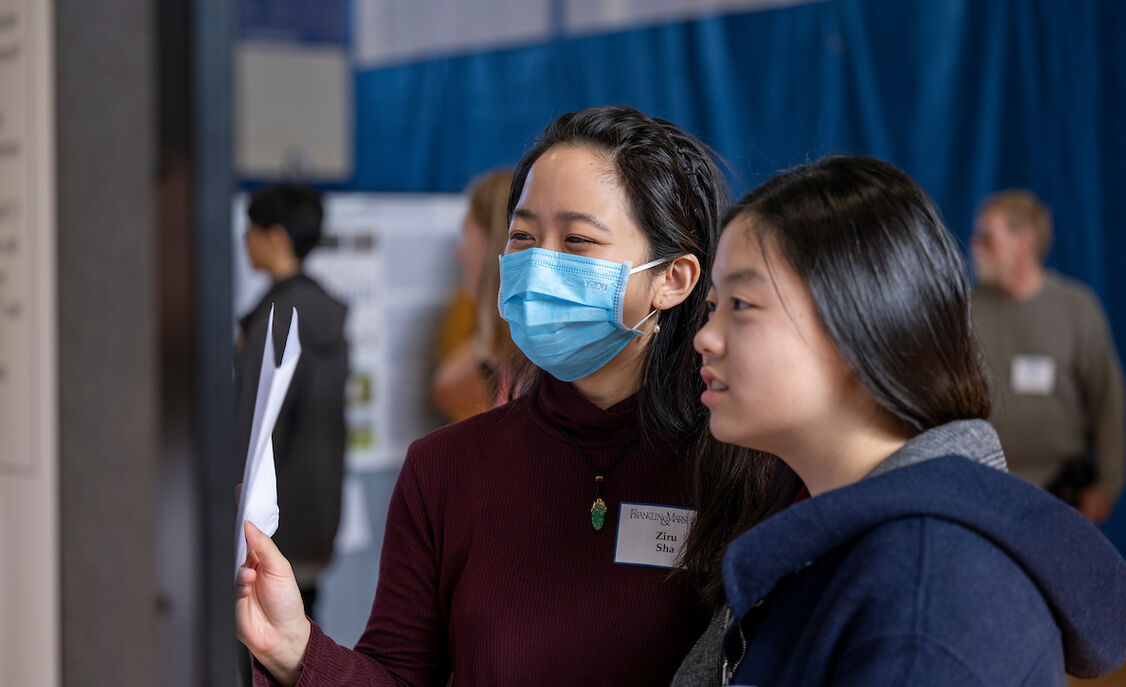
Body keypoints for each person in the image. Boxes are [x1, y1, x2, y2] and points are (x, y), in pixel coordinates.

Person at [236, 105, 792, 687]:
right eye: (523, 236)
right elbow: (397, 675)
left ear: (672, 278)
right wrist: (296, 650)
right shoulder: (444, 468)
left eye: (578, 240)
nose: (539, 264)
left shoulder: (748, 467)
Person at [693, 156, 1126, 685]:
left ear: (864, 327)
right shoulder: (823, 528)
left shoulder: (925, 597)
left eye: (741, 304)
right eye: (714, 304)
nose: (706, 337)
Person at [970, 190, 1126, 523]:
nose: (975, 247)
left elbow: (1108, 404)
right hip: (986, 491)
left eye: (987, 238)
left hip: (1062, 496)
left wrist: (1107, 486)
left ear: (1024, 241)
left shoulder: (1077, 309)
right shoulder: (967, 312)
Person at [235, 185, 349, 619]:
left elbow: (253, 427)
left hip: (271, 524)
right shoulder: (327, 313)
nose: (246, 240)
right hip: (317, 515)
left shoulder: (274, 318)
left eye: (253, 230)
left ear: (277, 238)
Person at [430, 169, 515, 420]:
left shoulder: (521, 346)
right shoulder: (495, 335)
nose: (460, 251)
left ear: (494, 241)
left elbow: (446, 390)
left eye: (468, 235)